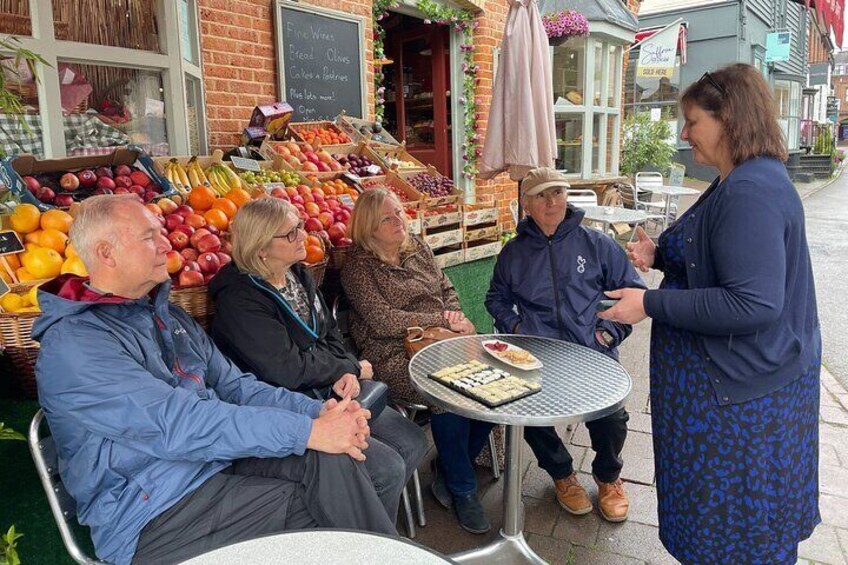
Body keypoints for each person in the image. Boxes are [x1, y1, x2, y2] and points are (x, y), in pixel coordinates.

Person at [31, 195, 398, 565]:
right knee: (328, 507)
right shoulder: (75, 346)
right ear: (106, 253)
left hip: (213, 463)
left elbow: (237, 387)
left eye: (160, 232)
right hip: (153, 512)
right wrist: (306, 431)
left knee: (336, 462)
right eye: (148, 237)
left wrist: (322, 411)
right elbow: (178, 424)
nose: (164, 244)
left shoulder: (166, 316)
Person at [600, 63, 821, 564]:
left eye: (693, 121)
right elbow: (720, 260)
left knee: (738, 540)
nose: (684, 134)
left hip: (739, 409)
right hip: (731, 397)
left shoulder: (751, 191)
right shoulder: (738, 180)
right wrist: (661, 254)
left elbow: (753, 302)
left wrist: (649, 302)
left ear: (730, 120)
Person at [209, 197, 428, 519]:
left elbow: (329, 334)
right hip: (286, 403)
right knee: (385, 469)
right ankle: (367, 540)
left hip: (327, 389)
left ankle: (364, 516)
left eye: (300, 226)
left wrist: (347, 372)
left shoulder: (299, 274)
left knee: (411, 440)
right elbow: (286, 368)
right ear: (261, 248)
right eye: (291, 233)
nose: (303, 236)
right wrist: (350, 366)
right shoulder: (240, 299)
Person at [485, 167, 645, 523]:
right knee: (526, 413)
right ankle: (562, 475)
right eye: (541, 195)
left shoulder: (597, 244)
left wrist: (606, 334)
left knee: (612, 417)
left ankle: (608, 477)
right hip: (538, 356)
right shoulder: (513, 254)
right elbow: (495, 299)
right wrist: (516, 325)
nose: (552, 201)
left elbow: (634, 295)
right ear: (526, 204)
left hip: (593, 351)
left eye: (557, 192)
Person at [341, 188, 495, 535]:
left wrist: (454, 316)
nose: (399, 221)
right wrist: (438, 320)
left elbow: (447, 288)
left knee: (492, 385)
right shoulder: (358, 267)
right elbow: (381, 320)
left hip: (441, 340)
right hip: (391, 352)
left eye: (399, 212)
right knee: (447, 391)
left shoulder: (419, 248)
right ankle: (463, 489)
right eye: (387, 217)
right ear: (368, 227)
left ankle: (455, 466)